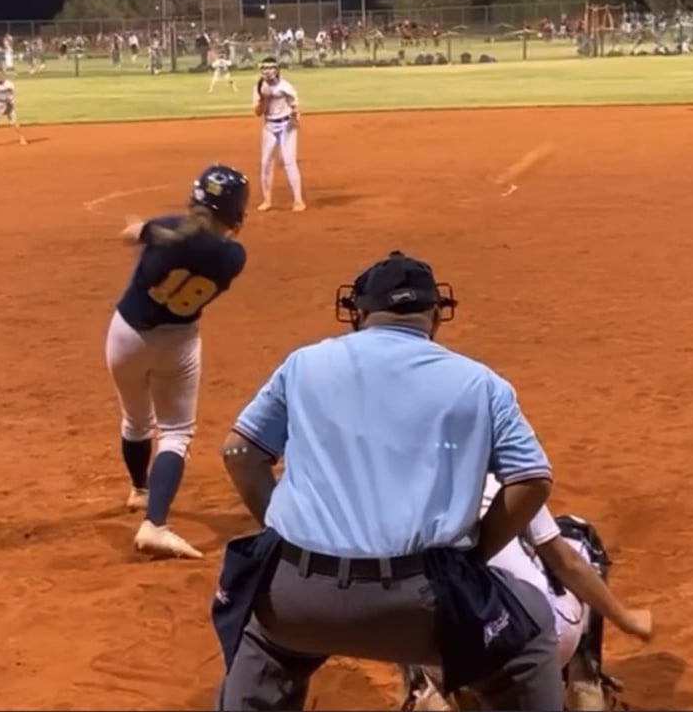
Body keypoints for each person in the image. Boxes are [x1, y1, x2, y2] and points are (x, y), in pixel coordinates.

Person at [212, 251, 561, 711]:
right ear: (436, 315)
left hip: (296, 600)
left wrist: (281, 532)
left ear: (357, 313)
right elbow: (532, 481)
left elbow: (238, 452)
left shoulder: (303, 364)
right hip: (421, 607)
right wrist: (476, 555)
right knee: (530, 629)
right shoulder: (480, 382)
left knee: (262, 643)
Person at [400, 477, 654, 711]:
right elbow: (568, 564)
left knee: (405, 586)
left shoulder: (397, 495)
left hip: (449, 660)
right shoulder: (498, 478)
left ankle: (426, 694)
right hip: (536, 647)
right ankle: (586, 691)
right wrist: (627, 619)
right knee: (578, 534)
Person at [106, 165, 251, 560]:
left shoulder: (167, 228)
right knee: (175, 432)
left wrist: (140, 228)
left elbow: (135, 234)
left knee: (136, 419)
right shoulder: (233, 257)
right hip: (177, 343)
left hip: (125, 336)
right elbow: (206, 244)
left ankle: (139, 489)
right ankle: (154, 523)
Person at [252, 56, 306, 212]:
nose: (267, 71)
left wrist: (295, 118)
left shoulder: (286, 87)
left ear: (277, 70)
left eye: (270, 68)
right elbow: (258, 112)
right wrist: (264, 98)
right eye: (264, 68)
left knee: (289, 161)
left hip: (286, 125)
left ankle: (298, 200)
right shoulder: (259, 87)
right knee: (265, 163)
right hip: (269, 126)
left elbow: (295, 107)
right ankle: (267, 200)